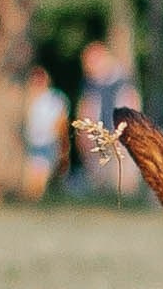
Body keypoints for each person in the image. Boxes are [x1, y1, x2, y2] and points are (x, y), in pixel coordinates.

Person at [70, 40, 141, 194]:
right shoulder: (90, 85)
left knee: (122, 184)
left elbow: (132, 109)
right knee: (99, 184)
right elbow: (86, 109)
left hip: (119, 139)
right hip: (99, 139)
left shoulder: (123, 82)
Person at [20, 63, 69, 201]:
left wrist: (63, 146)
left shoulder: (55, 99)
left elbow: (61, 122)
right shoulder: (25, 98)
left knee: (40, 174)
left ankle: (35, 200)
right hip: (29, 142)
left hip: (47, 142)